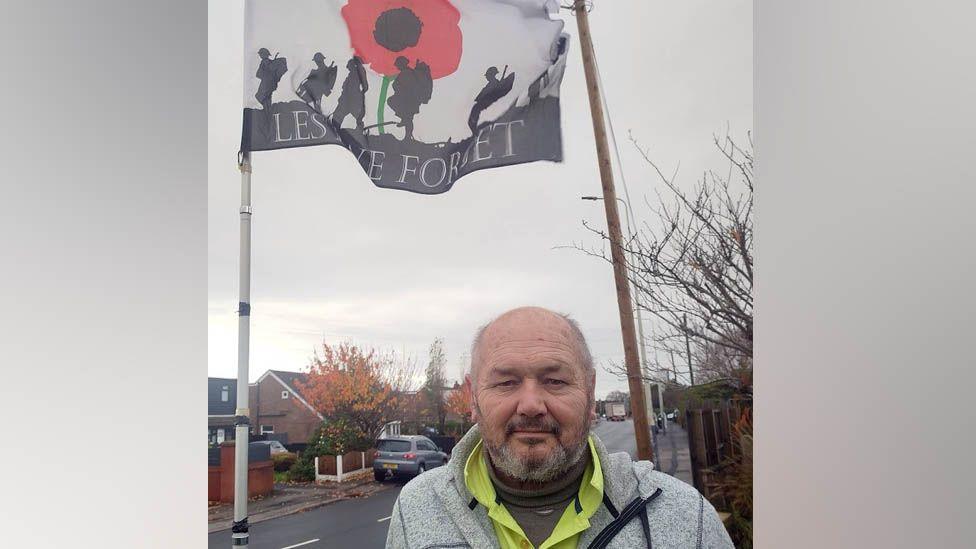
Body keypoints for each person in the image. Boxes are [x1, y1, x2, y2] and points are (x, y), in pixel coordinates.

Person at [386, 306, 733, 549]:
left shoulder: (687, 516)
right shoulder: (416, 507)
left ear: (590, 390)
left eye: (554, 380)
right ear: (472, 397)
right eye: (506, 383)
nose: (531, 405)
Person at [387, 56, 432, 141]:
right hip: (408, 100)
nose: (397, 66)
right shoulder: (408, 72)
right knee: (407, 118)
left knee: (407, 118)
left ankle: (408, 136)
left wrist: (398, 87)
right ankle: (406, 129)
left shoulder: (407, 73)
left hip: (409, 101)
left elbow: (405, 87)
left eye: (398, 64)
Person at [469, 66, 516, 135]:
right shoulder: (493, 83)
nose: (486, 77)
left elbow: (485, 93)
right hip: (484, 102)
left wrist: (479, 97)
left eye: (488, 75)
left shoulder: (493, 83)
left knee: (474, 114)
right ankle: (475, 131)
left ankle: (476, 132)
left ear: (491, 75)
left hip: (486, 102)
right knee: (473, 116)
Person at [331, 56, 369, 131]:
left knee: (357, 120)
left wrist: (358, 95)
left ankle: (360, 134)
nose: (348, 68)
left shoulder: (358, 75)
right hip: (347, 101)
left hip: (354, 101)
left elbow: (365, 87)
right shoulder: (351, 76)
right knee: (337, 118)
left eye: (349, 66)